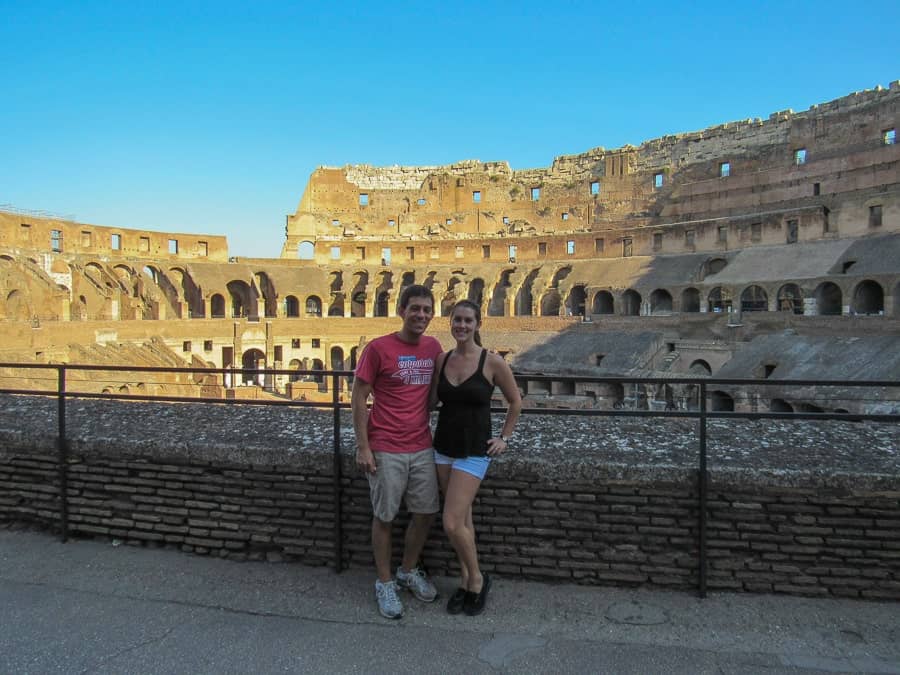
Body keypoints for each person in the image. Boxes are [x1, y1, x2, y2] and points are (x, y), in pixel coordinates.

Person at [351, 284, 443, 619]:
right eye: (415, 308)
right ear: (401, 311)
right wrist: (363, 446)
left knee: (426, 512)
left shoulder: (434, 347)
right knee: (385, 517)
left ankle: (406, 569)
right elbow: (358, 397)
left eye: (427, 310)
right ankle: (385, 582)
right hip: (385, 446)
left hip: (421, 445)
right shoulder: (378, 349)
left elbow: (433, 395)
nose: (421, 315)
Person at [430, 300, 522, 616]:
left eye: (468, 321)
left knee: (451, 521)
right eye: (457, 320)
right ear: (450, 322)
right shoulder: (441, 360)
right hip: (443, 447)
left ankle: (479, 578)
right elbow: (430, 402)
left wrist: (504, 439)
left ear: (478, 324)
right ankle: (466, 579)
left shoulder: (492, 362)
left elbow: (515, 402)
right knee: (463, 520)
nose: (462, 326)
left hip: (474, 451)